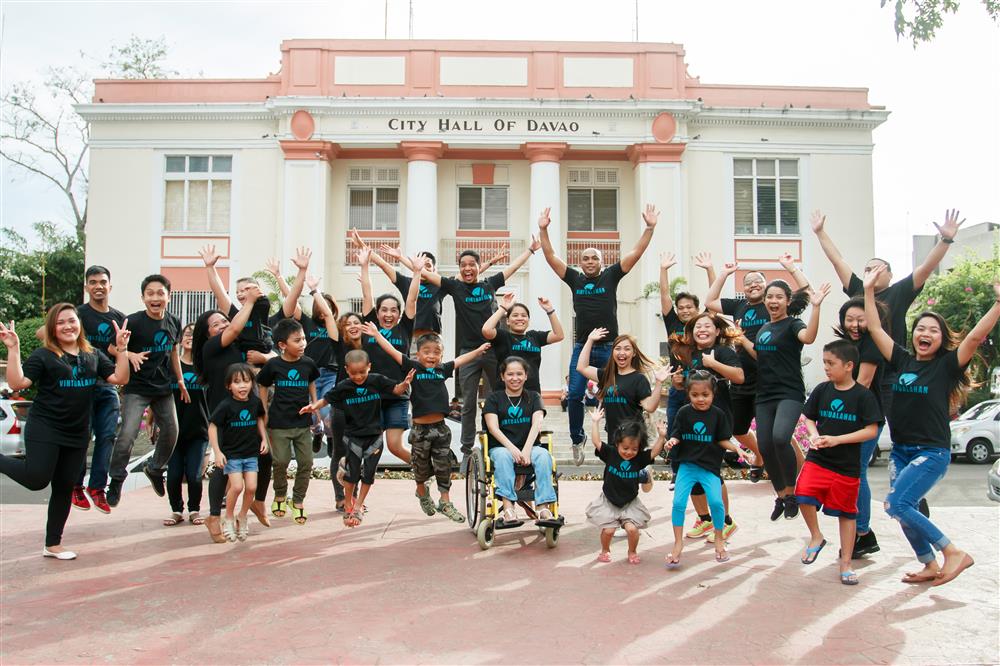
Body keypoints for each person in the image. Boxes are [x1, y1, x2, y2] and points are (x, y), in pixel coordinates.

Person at [864, 265, 998, 586]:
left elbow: (976, 337)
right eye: (921, 328)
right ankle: (929, 564)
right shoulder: (902, 360)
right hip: (901, 452)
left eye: (933, 330)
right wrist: (868, 291)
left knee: (897, 504)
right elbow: (874, 328)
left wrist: (997, 304)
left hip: (931, 452)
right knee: (902, 511)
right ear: (913, 335)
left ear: (941, 339)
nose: (925, 333)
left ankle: (952, 552)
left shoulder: (947, 366)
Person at [0, 306, 130, 559]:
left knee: (64, 487)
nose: (68, 326)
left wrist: (122, 351)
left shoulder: (92, 355)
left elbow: (120, 378)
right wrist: (13, 349)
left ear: (79, 324)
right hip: (45, 427)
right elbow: (18, 383)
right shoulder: (44, 355)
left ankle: (53, 544)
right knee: (37, 479)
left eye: (72, 321)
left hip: (77, 432)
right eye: (61, 323)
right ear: (52, 328)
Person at [538, 205, 660, 465]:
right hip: (583, 346)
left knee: (619, 395)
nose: (590, 261)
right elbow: (550, 256)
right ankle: (576, 439)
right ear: (580, 264)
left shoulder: (611, 276)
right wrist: (543, 229)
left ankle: (633, 443)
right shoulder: (575, 279)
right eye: (586, 259)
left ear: (602, 262)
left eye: (594, 258)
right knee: (574, 394)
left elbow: (636, 253)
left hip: (609, 349)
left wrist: (649, 228)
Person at [418, 237, 541, 461]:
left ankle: (499, 442)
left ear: (478, 266)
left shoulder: (489, 285)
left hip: (494, 351)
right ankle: (466, 450)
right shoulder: (455, 287)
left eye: (471, 264)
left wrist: (531, 251)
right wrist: (412, 266)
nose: (467, 268)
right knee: (468, 403)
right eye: (463, 265)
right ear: (459, 269)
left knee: (500, 397)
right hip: (468, 352)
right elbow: (427, 275)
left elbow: (512, 269)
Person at [364, 323, 489, 521]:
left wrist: (479, 350)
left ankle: (445, 502)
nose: (431, 356)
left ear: (441, 354)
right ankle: (422, 493)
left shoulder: (443, 369)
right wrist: (377, 335)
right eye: (426, 352)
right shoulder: (413, 367)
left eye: (436, 352)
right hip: (420, 430)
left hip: (441, 429)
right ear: (417, 354)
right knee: (420, 467)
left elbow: (461, 360)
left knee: (443, 467)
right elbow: (393, 351)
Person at [705, 256, 811, 482]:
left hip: (771, 378)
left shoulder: (774, 305)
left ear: (768, 288)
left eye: (758, 281)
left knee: (778, 433)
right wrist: (723, 273)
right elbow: (710, 300)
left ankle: (802, 473)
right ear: (743, 289)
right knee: (738, 428)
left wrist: (792, 268)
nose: (753, 285)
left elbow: (805, 293)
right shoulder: (739, 306)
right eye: (748, 282)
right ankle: (761, 456)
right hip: (743, 376)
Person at [796, 340, 882, 585]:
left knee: (847, 514)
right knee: (802, 494)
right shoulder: (823, 390)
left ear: (848, 366)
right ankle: (816, 537)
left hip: (846, 467)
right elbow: (809, 417)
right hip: (818, 459)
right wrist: (813, 435)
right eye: (824, 362)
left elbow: (871, 431)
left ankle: (846, 564)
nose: (826, 368)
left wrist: (837, 440)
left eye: (831, 363)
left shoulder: (863, 396)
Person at [191, 288, 272, 542]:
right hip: (224, 415)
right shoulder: (211, 348)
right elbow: (236, 328)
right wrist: (248, 301)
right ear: (207, 333)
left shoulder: (239, 347)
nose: (224, 325)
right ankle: (214, 516)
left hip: (247, 413)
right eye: (216, 324)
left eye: (225, 321)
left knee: (265, 456)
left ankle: (257, 502)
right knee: (223, 465)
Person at [301, 350, 413, 527]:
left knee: (368, 475)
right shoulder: (344, 387)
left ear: (369, 366)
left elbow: (396, 390)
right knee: (352, 475)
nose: (358, 376)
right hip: (353, 437)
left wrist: (405, 384)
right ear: (346, 370)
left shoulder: (377, 381)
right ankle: (348, 505)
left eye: (362, 372)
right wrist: (313, 406)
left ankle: (358, 506)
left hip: (375, 437)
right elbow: (326, 399)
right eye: (353, 373)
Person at [751, 278, 830, 522]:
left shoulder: (793, 324)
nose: (773, 301)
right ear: (764, 301)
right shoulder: (763, 329)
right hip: (764, 394)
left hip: (789, 393)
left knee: (779, 438)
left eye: (778, 297)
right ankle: (782, 496)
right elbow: (758, 354)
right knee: (764, 446)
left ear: (787, 301)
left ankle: (793, 492)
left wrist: (816, 307)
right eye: (769, 297)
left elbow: (809, 338)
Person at [107, 274, 185, 507]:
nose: (155, 297)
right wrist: (129, 354)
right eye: (150, 293)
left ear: (168, 297)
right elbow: (112, 347)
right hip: (137, 388)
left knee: (172, 431)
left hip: (163, 388)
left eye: (160, 293)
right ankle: (117, 479)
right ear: (143, 298)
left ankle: (155, 468)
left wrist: (179, 380)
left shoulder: (173, 321)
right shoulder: (132, 322)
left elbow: (173, 352)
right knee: (127, 435)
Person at [668, 312, 745, 542]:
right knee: (687, 467)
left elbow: (739, 376)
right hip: (690, 419)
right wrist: (678, 383)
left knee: (709, 469)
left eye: (707, 326)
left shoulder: (723, 352)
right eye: (697, 327)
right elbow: (689, 386)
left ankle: (726, 522)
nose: (702, 330)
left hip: (716, 421)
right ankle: (705, 519)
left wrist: (714, 364)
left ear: (717, 331)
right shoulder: (689, 354)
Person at [665, 371, 748, 566]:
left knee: (717, 504)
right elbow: (677, 434)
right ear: (688, 394)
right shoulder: (684, 412)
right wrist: (672, 441)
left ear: (713, 394)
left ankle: (719, 540)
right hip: (687, 466)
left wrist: (736, 448)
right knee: (678, 503)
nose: (700, 399)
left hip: (709, 468)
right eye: (695, 395)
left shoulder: (718, 415)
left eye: (705, 395)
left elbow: (722, 440)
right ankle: (678, 544)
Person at [833, 297, 889, 558]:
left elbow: (863, 383)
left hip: (866, 418)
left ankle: (863, 532)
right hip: (846, 418)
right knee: (849, 474)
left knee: (857, 473)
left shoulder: (871, 344)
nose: (855, 324)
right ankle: (861, 533)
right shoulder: (844, 346)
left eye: (860, 319)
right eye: (850, 319)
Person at [70, 265, 127, 514]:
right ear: (86, 287)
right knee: (81, 438)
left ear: (110, 286)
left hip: (107, 384)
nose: (98, 286)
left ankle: (97, 488)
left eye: (102, 282)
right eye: (93, 282)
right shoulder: (77, 315)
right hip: (81, 386)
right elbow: (48, 333)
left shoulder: (118, 318)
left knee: (107, 437)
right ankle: (75, 486)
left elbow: (120, 351)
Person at [358, 247, 422, 465]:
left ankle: (424, 470)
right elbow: (367, 293)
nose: (388, 314)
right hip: (371, 394)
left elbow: (412, 300)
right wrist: (364, 265)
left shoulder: (404, 328)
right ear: (377, 313)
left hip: (397, 394)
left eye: (393, 310)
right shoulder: (370, 326)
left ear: (399, 313)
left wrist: (417, 273)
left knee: (395, 446)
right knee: (370, 447)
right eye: (384, 310)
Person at [257, 319, 320, 524]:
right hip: (279, 423)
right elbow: (263, 385)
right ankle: (280, 495)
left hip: (302, 423)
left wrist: (315, 406)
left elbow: (311, 382)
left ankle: (298, 500)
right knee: (281, 461)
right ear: (283, 345)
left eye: (303, 339)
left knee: (306, 462)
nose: (303, 343)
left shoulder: (308, 363)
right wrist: (264, 409)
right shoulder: (273, 364)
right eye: (297, 340)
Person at [481, 356, 557, 525]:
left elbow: (537, 423)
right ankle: (508, 508)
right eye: (510, 374)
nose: (515, 378)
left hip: (529, 446)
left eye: (519, 374)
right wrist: (513, 449)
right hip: (501, 447)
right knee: (503, 457)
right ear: (502, 376)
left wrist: (527, 449)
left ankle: (543, 507)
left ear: (526, 376)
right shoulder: (494, 399)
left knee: (544, 456)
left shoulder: (534, 397)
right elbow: (493, 428)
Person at [586, 408, 666, 564]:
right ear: (617, 444)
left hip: (630, 502)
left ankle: (632, 551)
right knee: (608, 530)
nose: (629, 452)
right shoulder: (611, 453)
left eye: (634, 449)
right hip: (609, 500)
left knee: (631, 529)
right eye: (625, 448)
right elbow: (596, 441)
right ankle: (605, 550)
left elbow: (654, 452)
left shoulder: (638, 459)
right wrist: (595, 422)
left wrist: (662, 437)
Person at [209, 363, 270, 542]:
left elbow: (259, 419)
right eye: (236, 382)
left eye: (246, 381)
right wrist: (218, 452)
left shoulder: (255, 402)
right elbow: (213, 427)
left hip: (251, 453)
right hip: (233, 454)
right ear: (229, 386)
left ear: (252, 383)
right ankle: (228, 517)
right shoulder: (226, 405)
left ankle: (241, 516)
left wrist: (264, 439)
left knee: (251, 487)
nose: (242, 386)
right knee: (236, 487)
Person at [576, 328, 670, 442]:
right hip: (613, 439)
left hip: (634, 440)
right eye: (618, 349)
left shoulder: (639, 379)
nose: (622, 353)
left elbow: (650, 407)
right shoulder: (607, 375)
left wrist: (659, 383)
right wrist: (590, 340)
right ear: (613, 352)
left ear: (634, 353)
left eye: (627, 349)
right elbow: (582, 367)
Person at [660, 251, 715, 429]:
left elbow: (714, 299)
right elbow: (664, 295)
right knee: (674, 430)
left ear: (697, 309)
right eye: (681, 308)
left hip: (700, 386)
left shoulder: (703, 323)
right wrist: (663, 269)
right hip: (678, 386)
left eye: (689, 307)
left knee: (701, 429)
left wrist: (709, 269)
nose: (685, 311)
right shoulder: (672, 323)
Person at [198, 244, 283, 359]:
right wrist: (210, 267)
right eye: (237, 292)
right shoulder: (234, 316)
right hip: (240, 368)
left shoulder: (261, 310)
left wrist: (263, 358)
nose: (240, 294)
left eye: (245, 290)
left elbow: (263, 300)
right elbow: (220, 293)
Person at [163, 323, 210, 527]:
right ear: (180, 340)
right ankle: (176, 510)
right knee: (173, 475)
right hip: (173, 431)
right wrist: (151, 421)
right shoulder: (171, 367)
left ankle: (194, 509)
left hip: (198, 429)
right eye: (187, 333)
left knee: (194, 475)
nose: (190, 336)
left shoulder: (205, 369)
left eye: (194, 334)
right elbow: (161, 395)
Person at [481, 291, 565, 392]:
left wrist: (550, 310)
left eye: (524, 315)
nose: (520, 318)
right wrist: (503, 308)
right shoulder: (503, 336)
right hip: (505, 393)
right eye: (515, 315)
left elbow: (559, 335)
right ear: (507, 321)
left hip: (532, 393)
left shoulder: (534, 336)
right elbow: (486, 330)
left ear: (528, 320)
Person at [328, 312, 364, 511]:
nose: (352, 326)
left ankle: (355, 497)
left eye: (356, 322)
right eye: (347, 324)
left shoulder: (371, 347)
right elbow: (326, 315)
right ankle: (341, 498)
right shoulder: (340, 347)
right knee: (339, 452)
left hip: (364, 408)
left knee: (357, 453)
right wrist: (315, 291)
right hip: (341, 408)